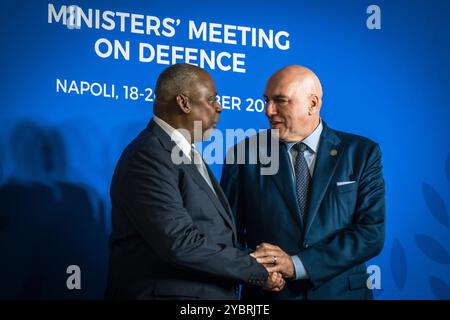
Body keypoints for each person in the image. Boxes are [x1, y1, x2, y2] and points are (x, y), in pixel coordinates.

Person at [105, 63, 284, 299]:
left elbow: (212, 235)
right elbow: (180, 243)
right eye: (212, 100)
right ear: (184, 103)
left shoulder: (183, 153)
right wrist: (257, 269)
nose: (219, 108)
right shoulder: (148, 156)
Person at [221, 65, 385, 300]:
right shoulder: (243, 155)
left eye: (280, 101)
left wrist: (296, 265)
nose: (269, 111)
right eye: (266, 100)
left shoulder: (362, 153)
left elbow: (371, 233)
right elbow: (228, 237)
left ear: (313, 104)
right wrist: (258, 272)